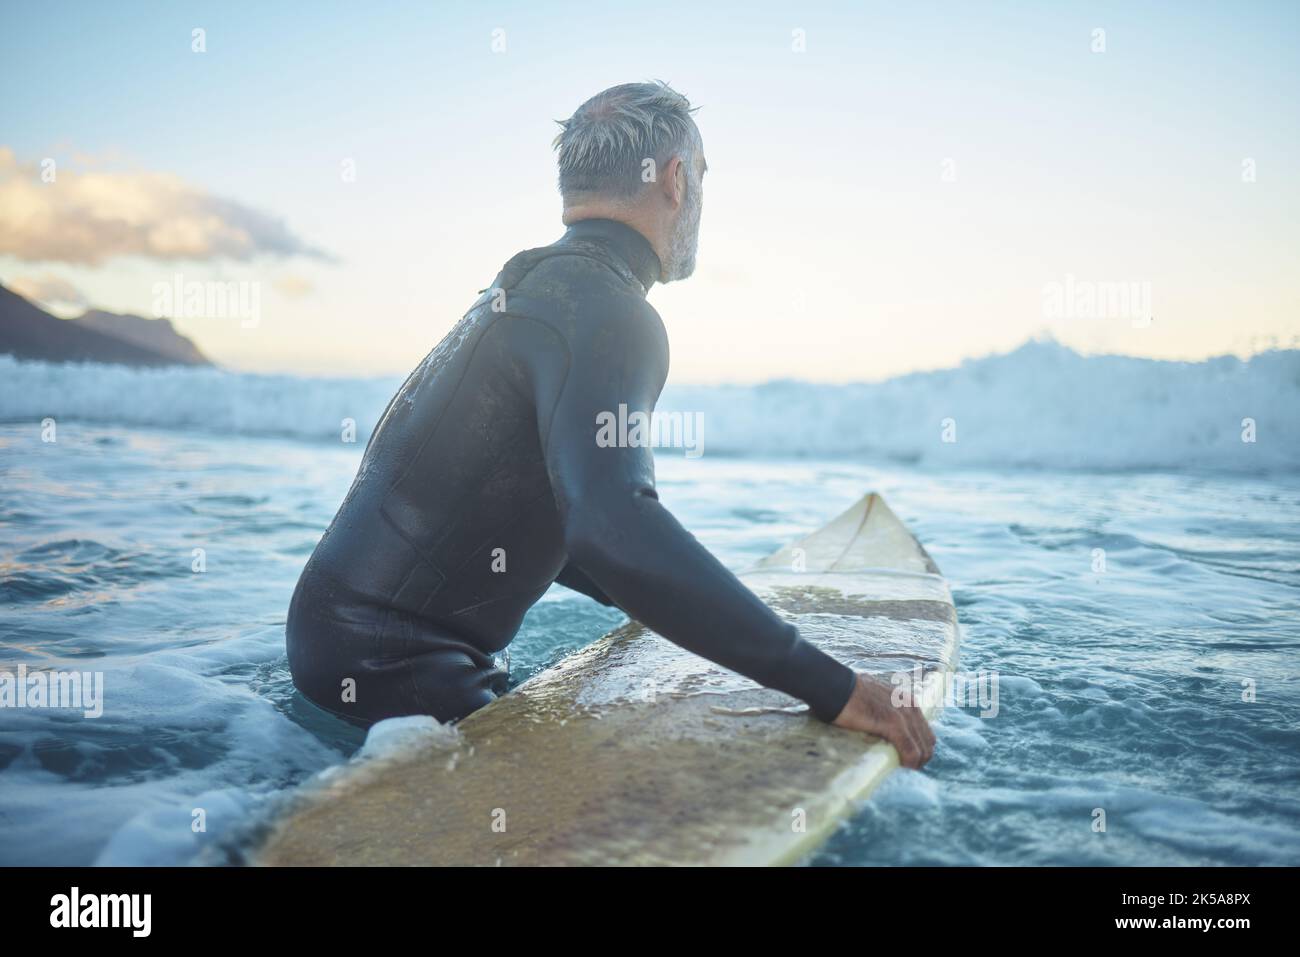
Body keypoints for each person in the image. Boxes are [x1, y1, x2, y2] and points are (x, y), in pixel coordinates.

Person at [286, 81, 935, 769]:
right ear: (677, 181)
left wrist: (662, 594)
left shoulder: (520, 289)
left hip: (330, 651)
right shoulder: (611, 311)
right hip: (406, 680)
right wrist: (837, 688)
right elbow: (611, 521)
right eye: (705, 177)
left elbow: (512, 500)